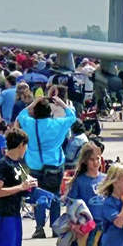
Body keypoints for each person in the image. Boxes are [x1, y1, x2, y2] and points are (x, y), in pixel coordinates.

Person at [17, 96, 77, 238]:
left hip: (36, 165)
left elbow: (21, 115)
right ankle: (55, 227)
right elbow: (72, 117)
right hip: (54, 164)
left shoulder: (31, 124)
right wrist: (62, 103)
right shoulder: (57, 124)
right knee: (55, 195)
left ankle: (39, 227)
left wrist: (34, 101)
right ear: (50, 112)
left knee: (39, 196)